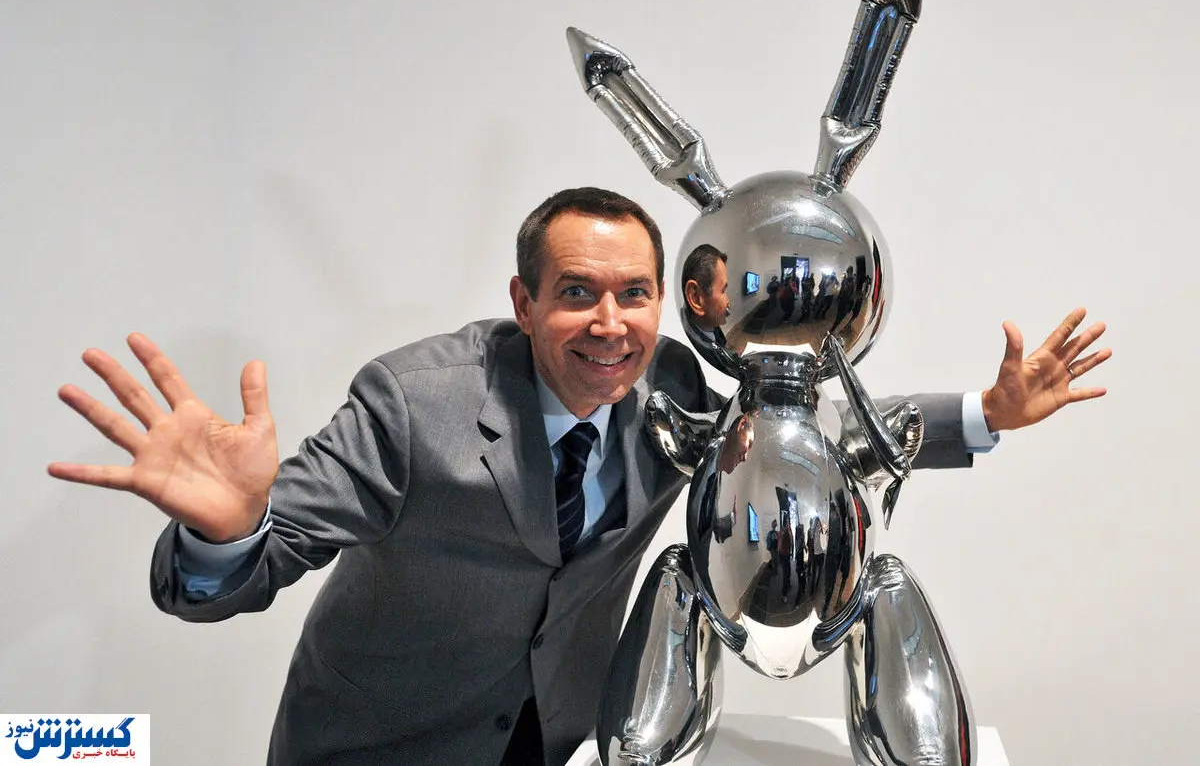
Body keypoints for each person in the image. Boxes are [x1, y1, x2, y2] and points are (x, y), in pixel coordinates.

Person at [48, 187, 1111, 765]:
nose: (610, 323)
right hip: (380, 745)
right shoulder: (413, 404)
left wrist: (988, 412)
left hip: (555, 745)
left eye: (634, 293)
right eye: (576, 293)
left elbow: (823, 425)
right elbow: (232, 576)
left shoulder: (673, 386)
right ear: (523, 301)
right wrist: (227, 529)